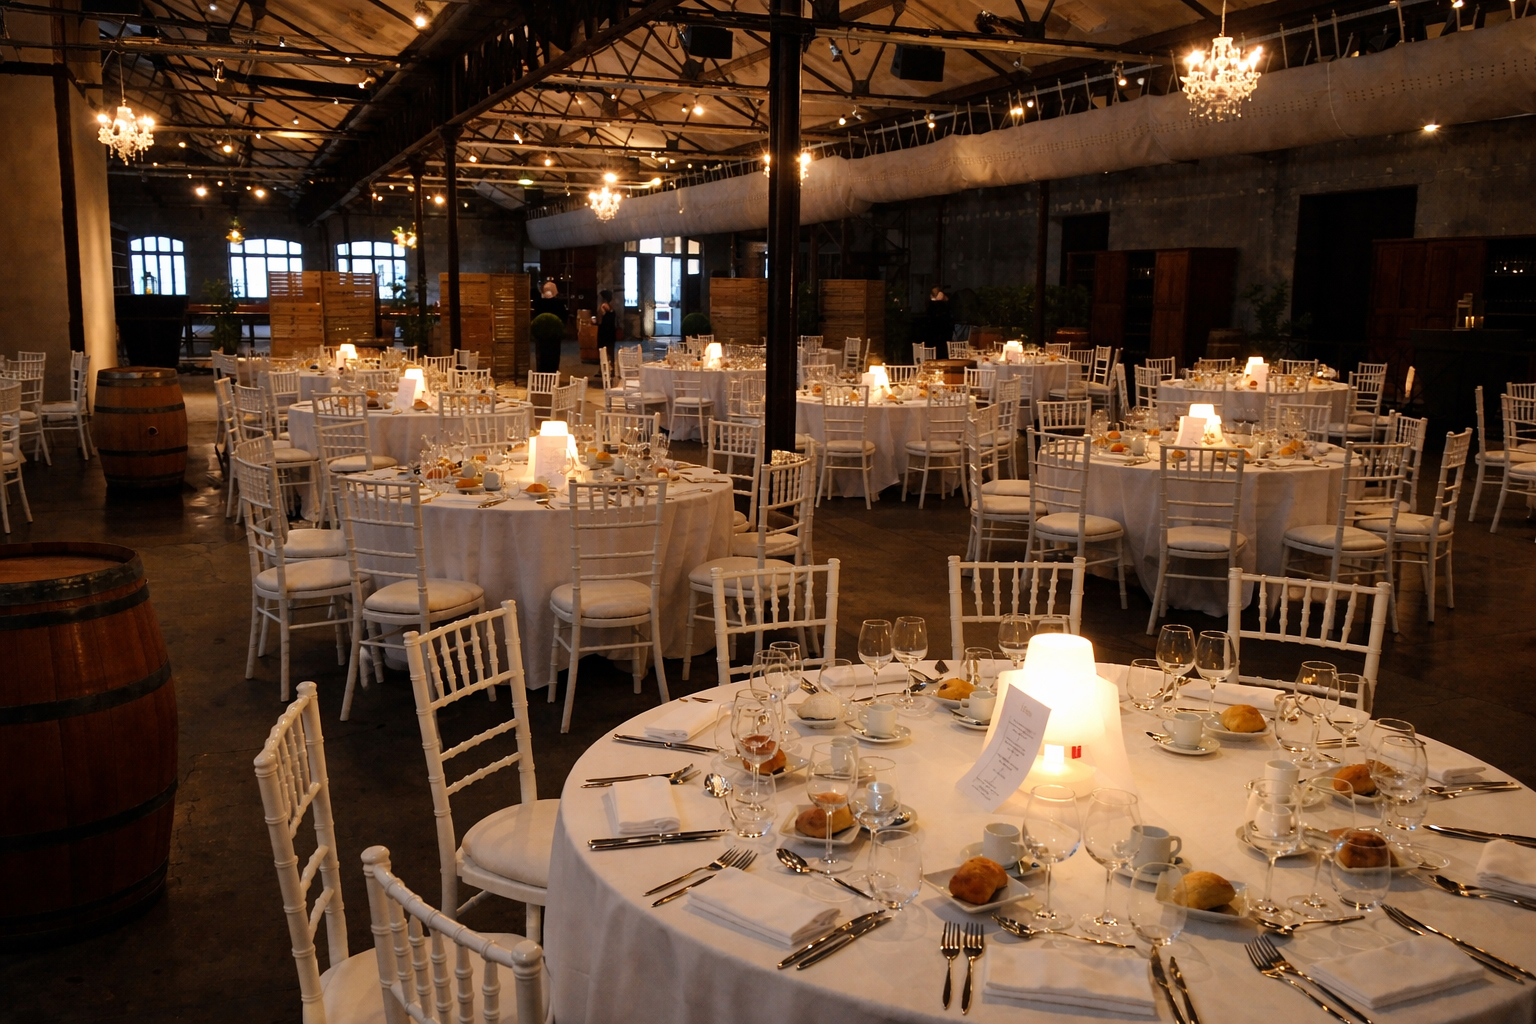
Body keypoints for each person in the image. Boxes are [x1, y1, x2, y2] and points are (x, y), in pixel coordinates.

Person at [531, 279, 568, 374]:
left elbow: (535, 316)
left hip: (541, 334)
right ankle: (553, 372)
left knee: (542, 353)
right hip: (555, 334)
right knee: (554, 354)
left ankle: (542, 372)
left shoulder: (538, 303)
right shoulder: (559, 304)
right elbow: (564, 317)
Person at [595, 289, 617, 365]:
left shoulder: (603, 307)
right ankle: (612, 367)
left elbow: (599, 320)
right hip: (611, 332)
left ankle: (603, 369)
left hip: (603, 333)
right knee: (611, 351)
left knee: (602, 351)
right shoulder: (612, 308)